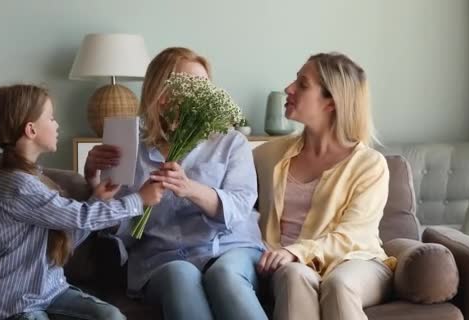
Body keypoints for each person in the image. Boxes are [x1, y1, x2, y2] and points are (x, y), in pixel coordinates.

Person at [85, 47, 267, 320]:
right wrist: (93, 181)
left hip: (230, 247)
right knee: (180, 274)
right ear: (161, 95)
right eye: (193, 86)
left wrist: (190, 188)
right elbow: (121, 227)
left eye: (206, 86)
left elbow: (241, 205)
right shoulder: (126, 142)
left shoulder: (231, 142)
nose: (204, 95)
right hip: (162, 257)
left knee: (225, 275)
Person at [0, 84, 163, 320]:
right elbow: (79, 216)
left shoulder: (35, 179)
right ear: (31, 130)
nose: (57, 124)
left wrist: (97, 199)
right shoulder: (17, 185)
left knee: (112, 317)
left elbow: (67, 235)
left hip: (50, 292)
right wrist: (138, 200)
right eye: (51, 118)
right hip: (13, 303)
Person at [254, 52, 395, 320]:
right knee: (294, 274)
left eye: (302, 84)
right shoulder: (266, 155)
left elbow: (352, 236)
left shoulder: (370, 165)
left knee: (339, 284)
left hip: (357, 261)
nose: (288, 88)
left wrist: (296, 251)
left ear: (331, 102)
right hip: (287, 267)